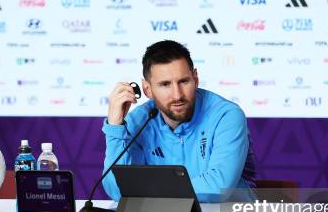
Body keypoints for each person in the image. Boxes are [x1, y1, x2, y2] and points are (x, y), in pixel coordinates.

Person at [101, 40, 256, 202]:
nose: (177, 95)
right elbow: (116, 190)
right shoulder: (138, 121)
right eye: (165, 84)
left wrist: (145, 191)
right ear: (147, 89)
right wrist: (115, 127)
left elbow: (218, 187)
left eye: (183, 81)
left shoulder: (227, 115)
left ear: (195, 79)